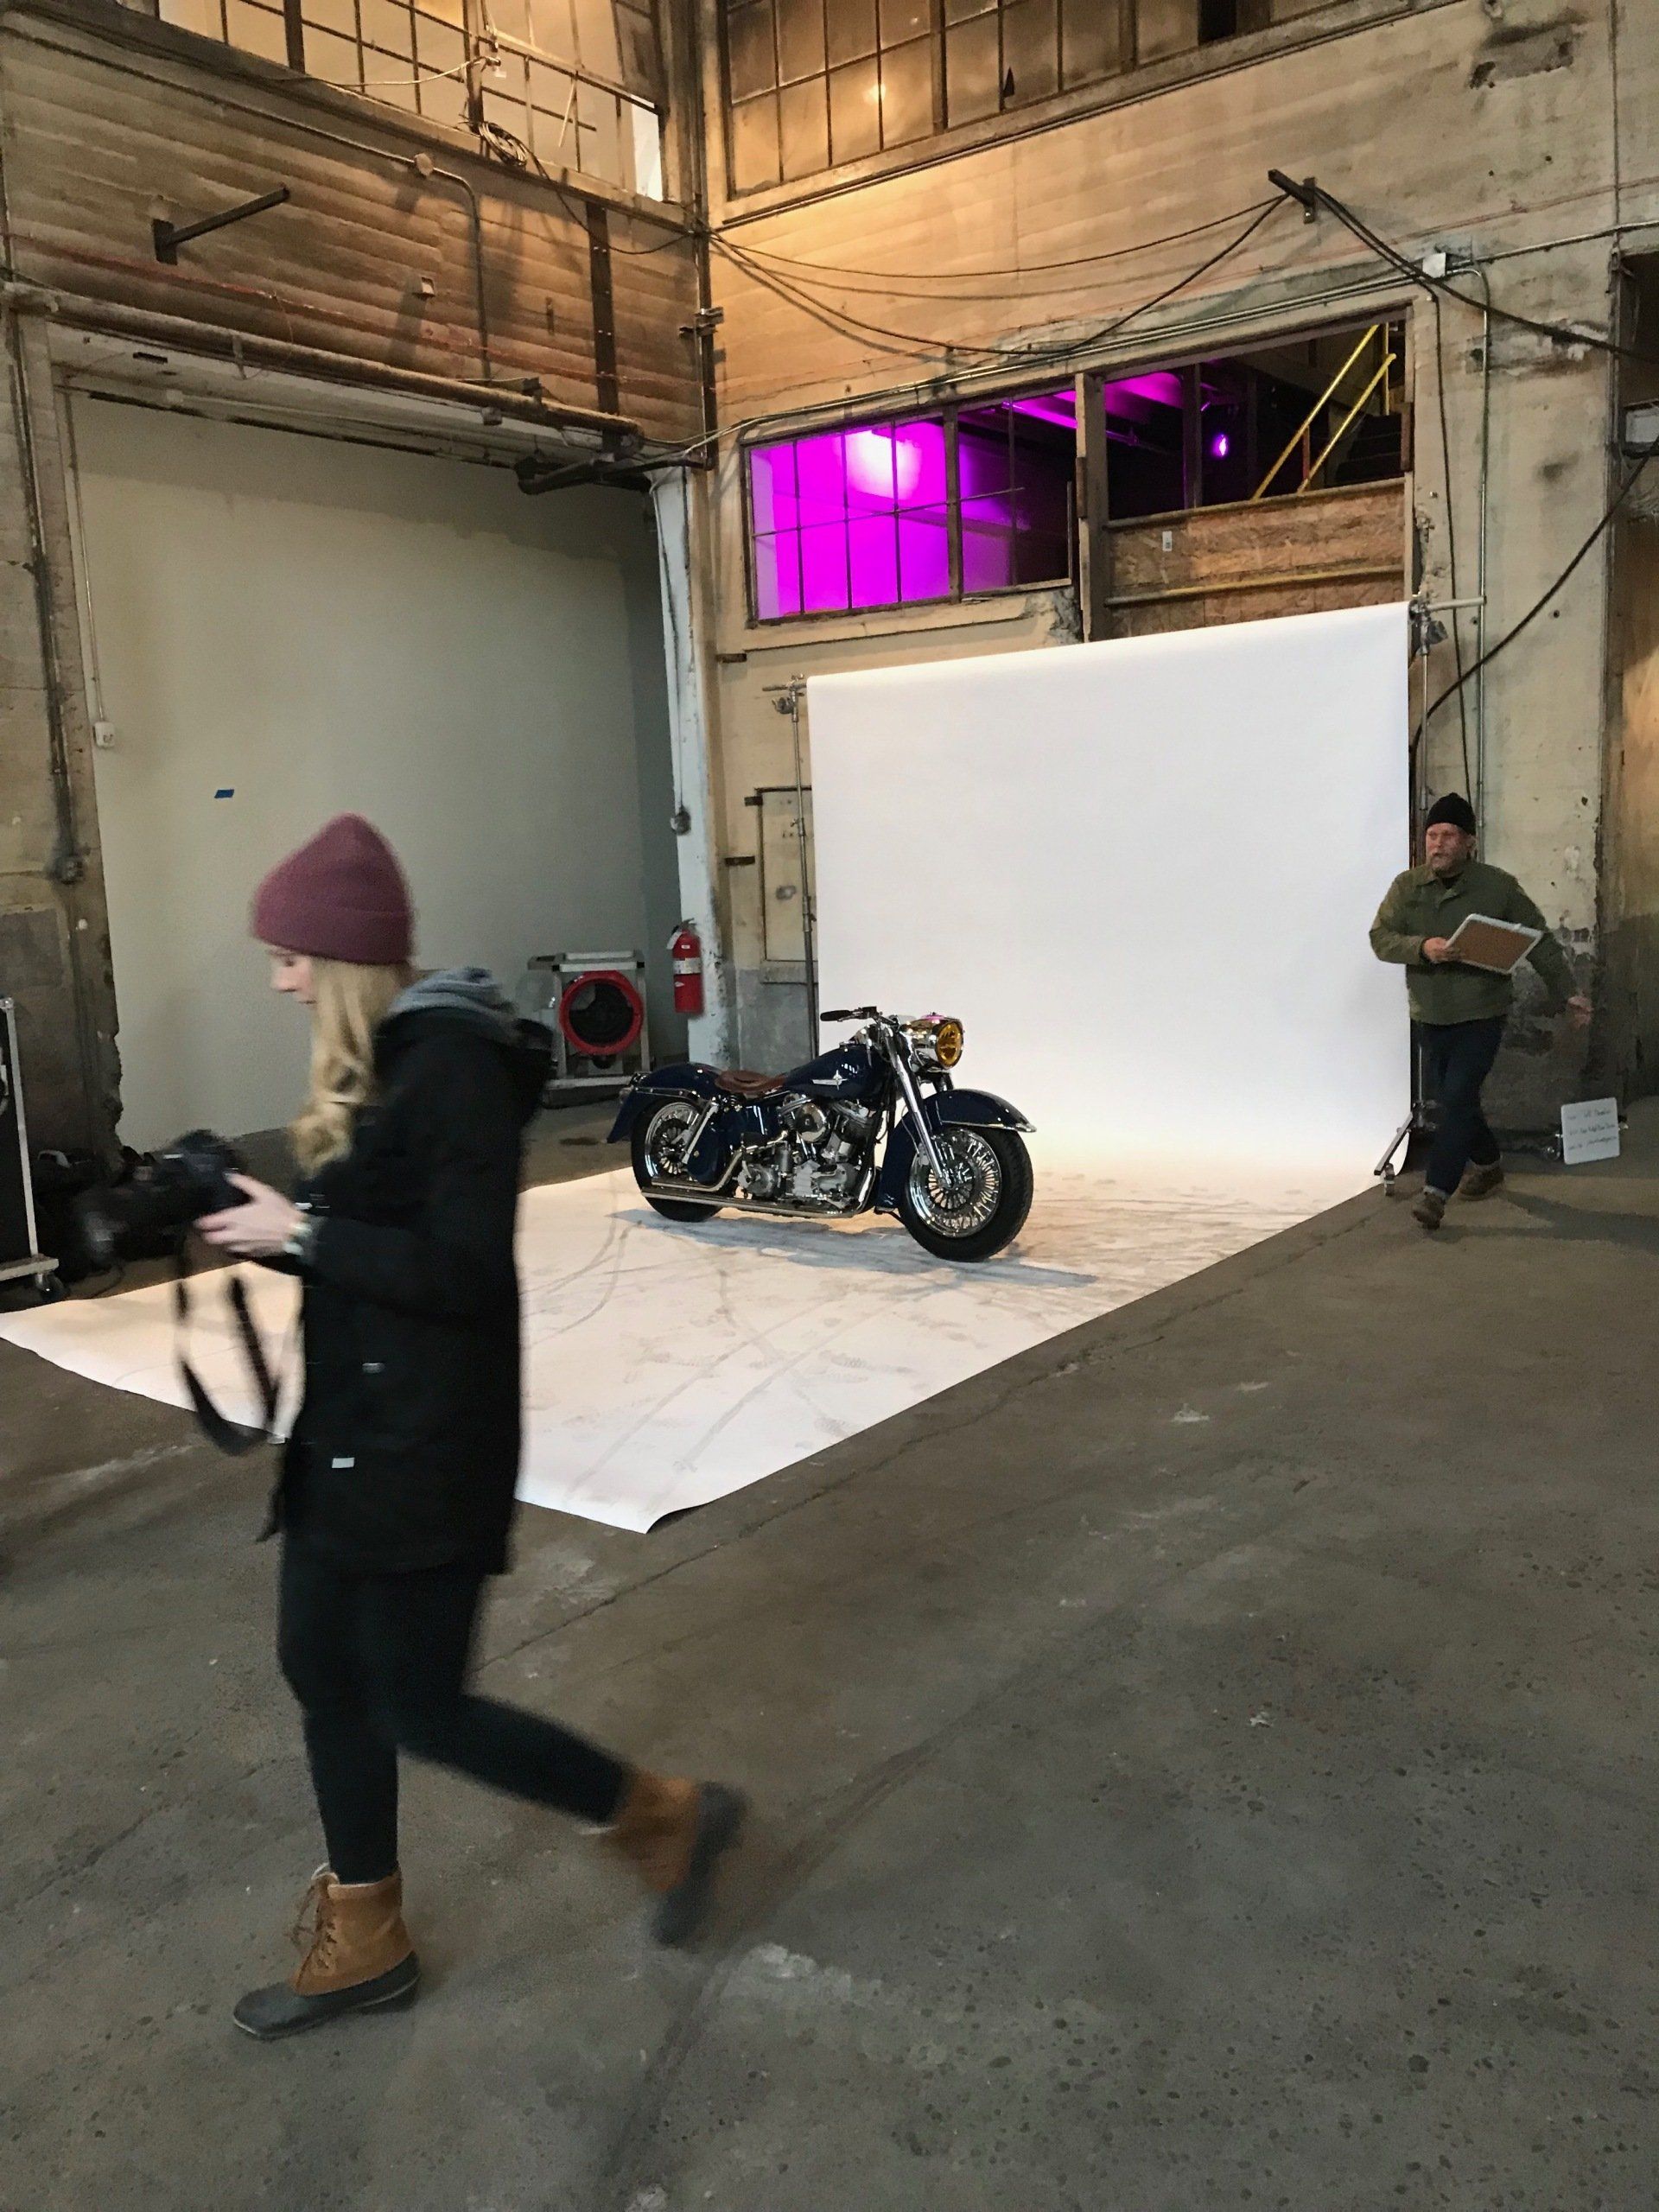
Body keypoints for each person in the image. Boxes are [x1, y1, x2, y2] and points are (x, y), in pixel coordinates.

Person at [197, 814, 744, 2041]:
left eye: (289, 957)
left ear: (339, 959)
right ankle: (367, 1932)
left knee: (419, 1703)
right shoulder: (378, 1068)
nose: (279, 979)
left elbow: (462, 1276)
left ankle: (659, 1815)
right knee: (319, 1667)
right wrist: (272, 1229)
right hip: (348, 1433)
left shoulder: (447, 1066)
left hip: (425, 1449)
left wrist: (305, 1236)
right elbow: (372, 1249)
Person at [1370, 792, 1592, 1233]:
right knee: (1457, 1100)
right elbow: (1380, 937)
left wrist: (1568, 992)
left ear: (1469, 842)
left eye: (1449, 835)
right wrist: (1422, 947)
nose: (1438, 844)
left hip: (1481, 1014)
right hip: (1430, 1013)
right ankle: (1488, 1164)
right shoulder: (1406, 888)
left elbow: (1539, 940)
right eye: (1432, 835)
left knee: (1454, 1103)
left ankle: (1436, 1192)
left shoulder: (1497, 887)